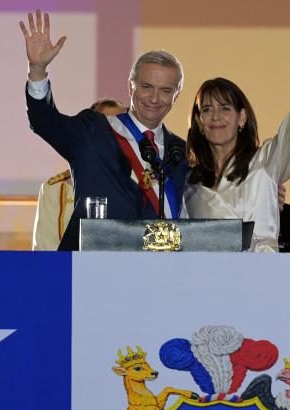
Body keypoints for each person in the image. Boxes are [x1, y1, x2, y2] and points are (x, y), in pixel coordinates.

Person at [20, 10, 187, 251]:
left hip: (152, 276)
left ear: (176, 95)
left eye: (166, 90)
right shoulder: (94, 130)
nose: (154, 98)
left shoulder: (179, 151)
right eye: (147, 86)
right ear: (131, 87)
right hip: (88, 270)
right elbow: (44, 121)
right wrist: (37, 71)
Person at [182, 27, 290, 252]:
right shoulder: (189, 182)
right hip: (206, 280)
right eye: (206, 109)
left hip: (260, 276)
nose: (215, 117)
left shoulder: (264, 162)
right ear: (198, 121)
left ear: (241, 118)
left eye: (225, 108)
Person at [32, 98, 127, 251]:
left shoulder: (146, 184)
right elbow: (45, 253)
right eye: (106, 129)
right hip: (70, 272)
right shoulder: (56, 189)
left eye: (121, 129)